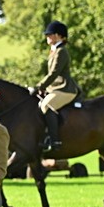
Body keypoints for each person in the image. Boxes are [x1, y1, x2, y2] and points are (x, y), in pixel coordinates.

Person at [29, 21, 80, 152]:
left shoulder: (61, 51)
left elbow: (53, 73)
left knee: (46, 106)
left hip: (65, 89)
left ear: (58, 35)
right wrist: (43, 89)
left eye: (49, 34)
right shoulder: (54, 51)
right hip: (56, 88)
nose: (47, 36)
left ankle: (54, 140)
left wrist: (39, 86)